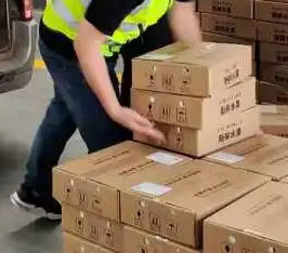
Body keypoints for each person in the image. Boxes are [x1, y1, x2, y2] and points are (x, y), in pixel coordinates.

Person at [11, 0, 202, 220]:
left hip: (99, 41)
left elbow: (182, 11)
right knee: (110, 145)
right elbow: (86, 44)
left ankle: (35, 188)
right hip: (68, 46)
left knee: (65, 109)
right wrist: (115, 110)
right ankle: (102, 229)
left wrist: (204, 70)